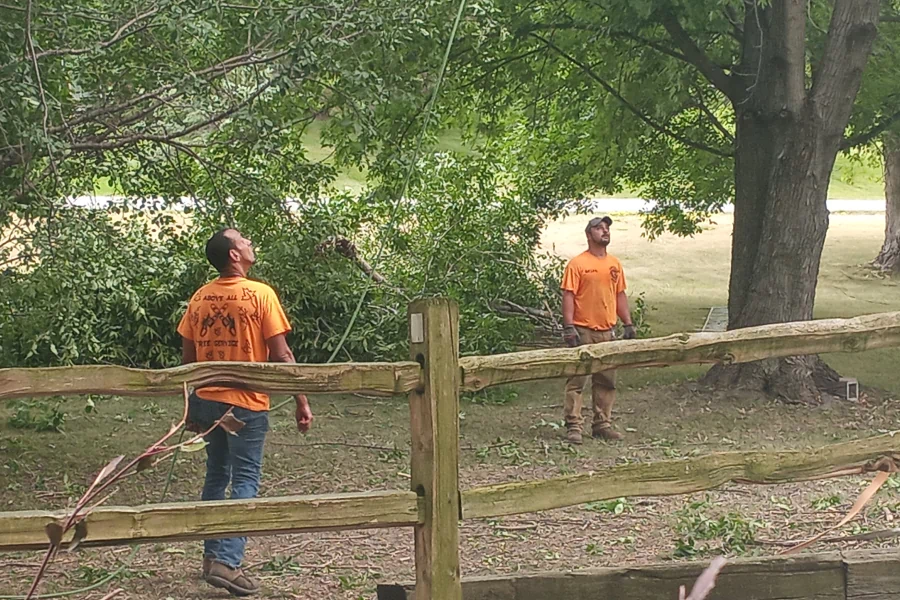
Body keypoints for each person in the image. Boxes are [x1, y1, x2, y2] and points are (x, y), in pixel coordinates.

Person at [177, 228, 313, 597]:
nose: (250, 243)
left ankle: (211, 556)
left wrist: (191, 403)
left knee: (216, 474)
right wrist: (302, 399)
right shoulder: (260, 294)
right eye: (244, 241)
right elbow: (282, 355)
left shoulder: (199, 298)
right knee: (246, 477)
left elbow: (188, 360)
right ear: (234, 256)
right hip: (246, 403)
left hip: (207, 399)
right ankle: (227, 561)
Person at [560, 216, 635, 445]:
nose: (605, 231)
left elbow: (619, 294)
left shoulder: (614, 264)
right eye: (599, 228)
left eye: (607, 228)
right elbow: (568, 295)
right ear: (588, 234)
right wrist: (569, 326)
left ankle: (602, 424)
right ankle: (574, 425)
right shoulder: (577, 264)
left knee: (606, 379)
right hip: (584, 330)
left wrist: (628, 323)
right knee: (577, 380)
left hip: (607, 331)